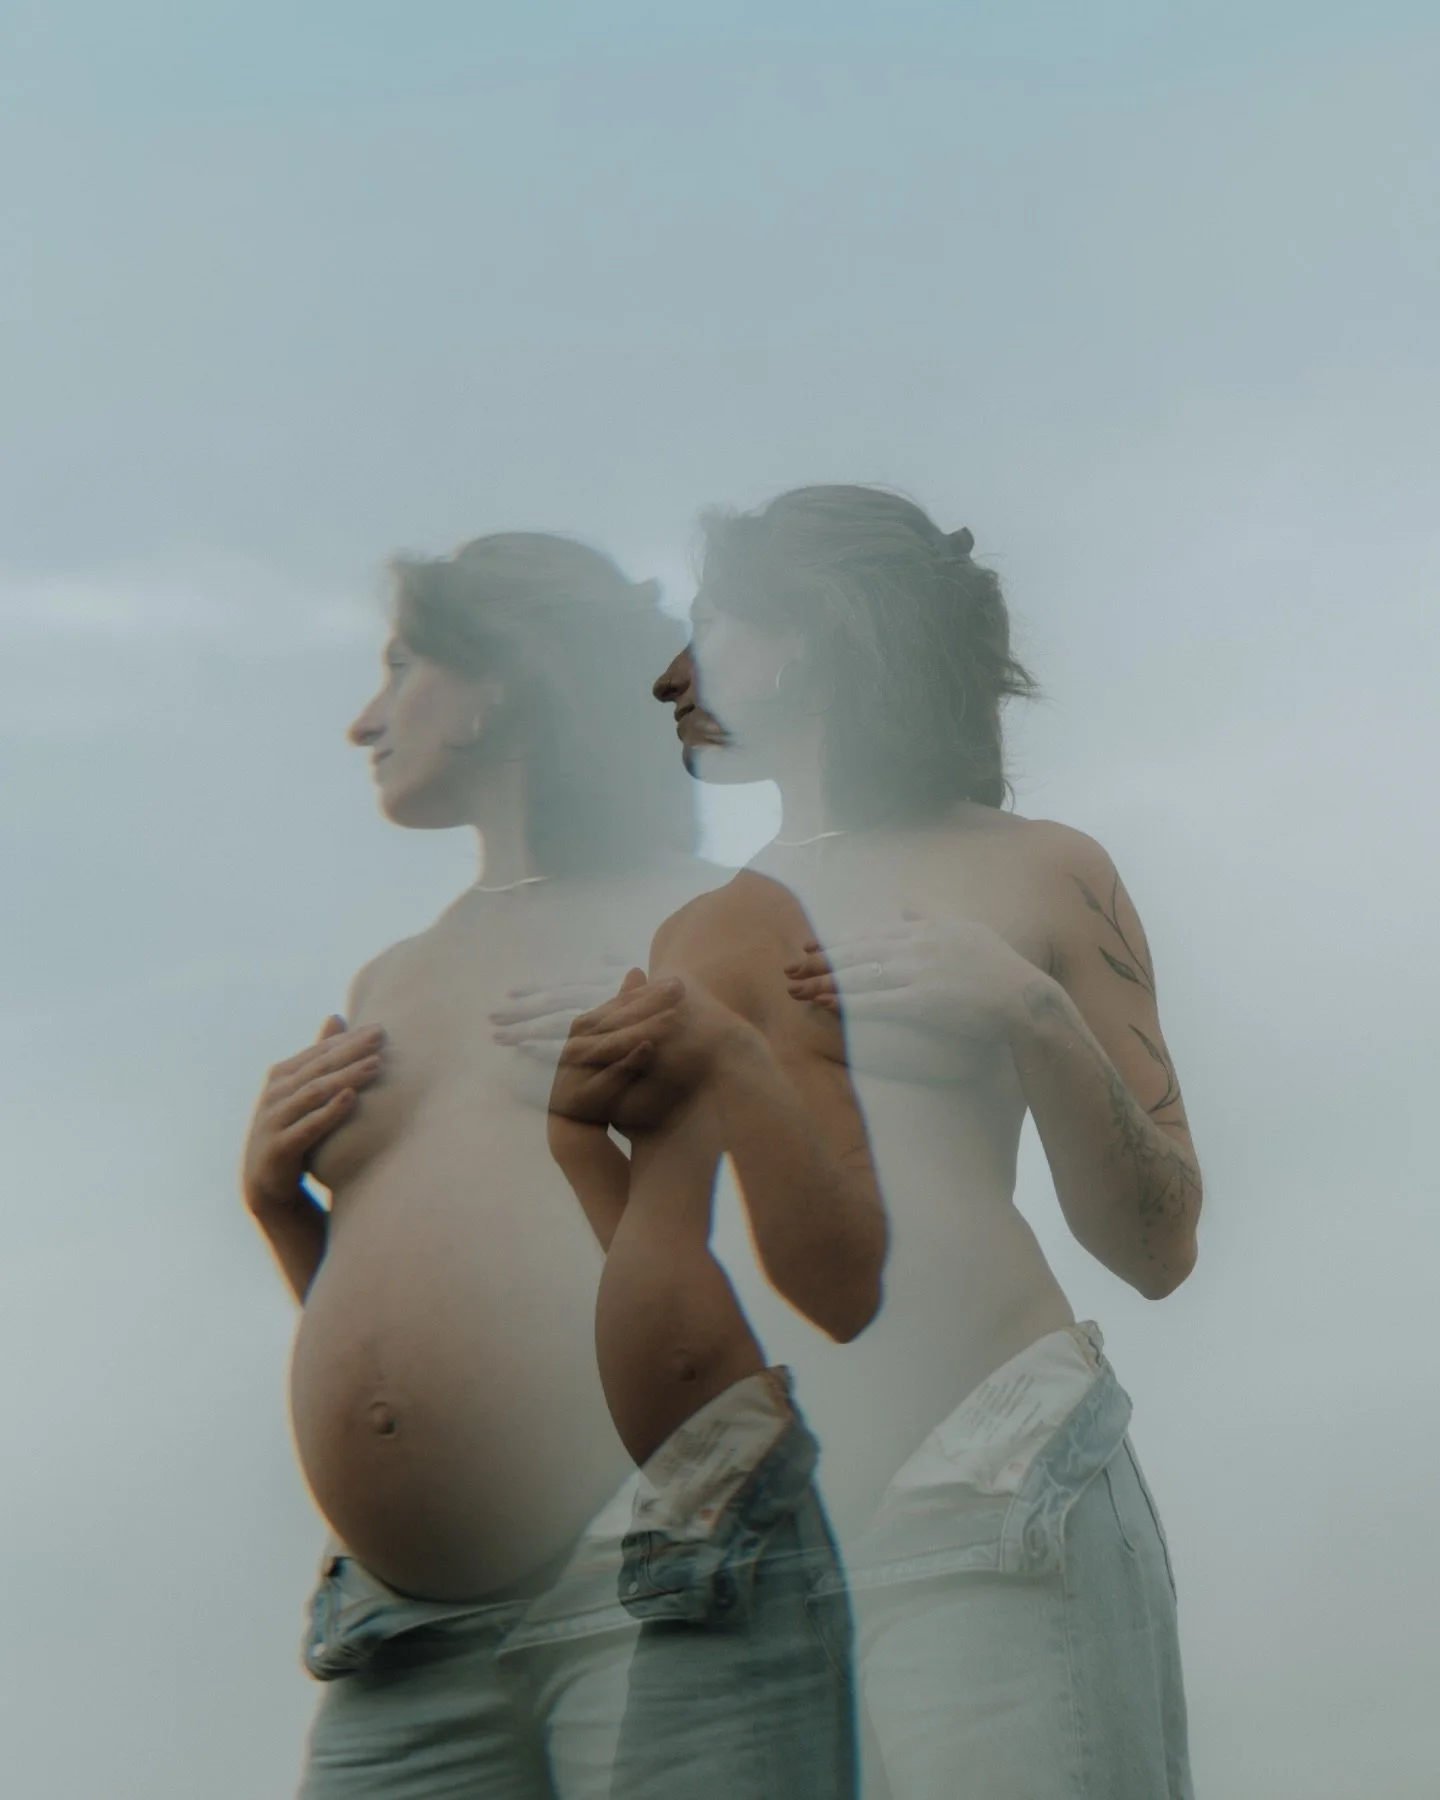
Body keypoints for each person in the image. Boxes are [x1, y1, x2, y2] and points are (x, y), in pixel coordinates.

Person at [632, 485, 1200, 1799]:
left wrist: (1027, 1007)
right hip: (761, 1545)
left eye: (710, 621)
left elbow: (1160, 1246)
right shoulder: (695, 935)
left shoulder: (1040, 870)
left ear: (813, 633)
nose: (671, 674)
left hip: (999, 1485)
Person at [239, 532, 718, 1799]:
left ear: (500, 678)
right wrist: (279, 1208)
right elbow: (410, 1306)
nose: (364, 720)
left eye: (403, 665)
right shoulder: (391, 979)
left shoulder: (699, 917)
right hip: (399, 1631)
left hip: (637, 1577)